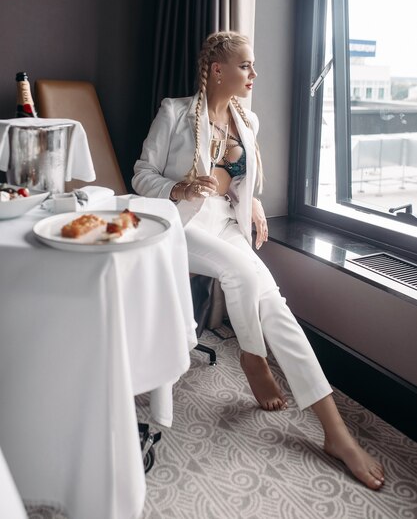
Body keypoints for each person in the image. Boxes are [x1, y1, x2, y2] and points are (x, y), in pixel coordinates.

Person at [132, 30, 385, 490]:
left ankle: (335, 432)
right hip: (182, 226)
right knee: (243, 271)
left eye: (252, 65)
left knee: (276, 308)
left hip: (226, 227)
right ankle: (253, 358)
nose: (254, 73)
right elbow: (141, 176)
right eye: (245, 65)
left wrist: (251, 203)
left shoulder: (248, 121)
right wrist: (180, 188)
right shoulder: (173, 112)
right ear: (217, 70)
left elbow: (242, 180)